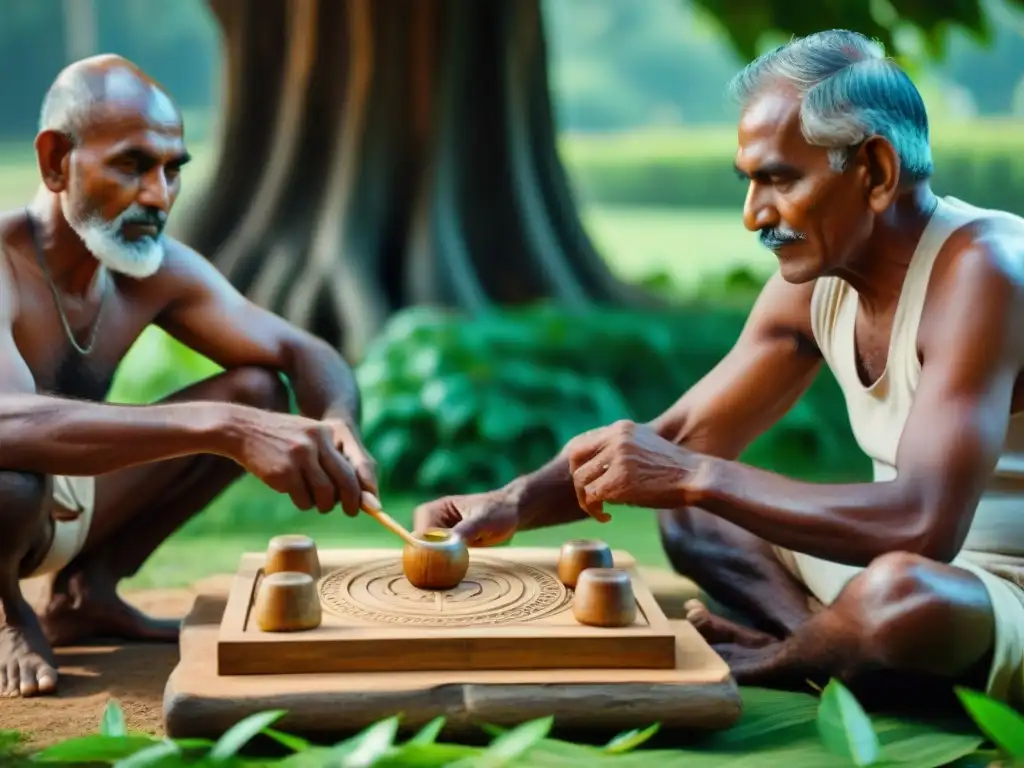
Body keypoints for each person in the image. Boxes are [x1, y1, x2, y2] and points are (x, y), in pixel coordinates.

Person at [416, 29, 1024, 709]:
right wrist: (513, 502)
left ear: (876, 171)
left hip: (985, 593)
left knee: (897, 597)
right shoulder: (817, 278)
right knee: (694, 517)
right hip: (898, 574)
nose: (752, 215)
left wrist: (692, 475)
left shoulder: (985, 272)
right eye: (750, 181)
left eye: (779, 179)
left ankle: (794, 657)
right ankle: (826, 649)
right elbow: (677, 439)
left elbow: (922, 524)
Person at [0, 54, 379, 699]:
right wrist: (224, 427)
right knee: (11, 478)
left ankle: (85, 593)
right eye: (132, 165)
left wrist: (336, 422)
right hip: (12, 484)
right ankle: (10, 614)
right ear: (56, 160)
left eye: (172, 170)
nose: (159, 195)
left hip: (59, 496)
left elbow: (303, 351)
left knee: (261, 392)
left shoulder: (154, 271)